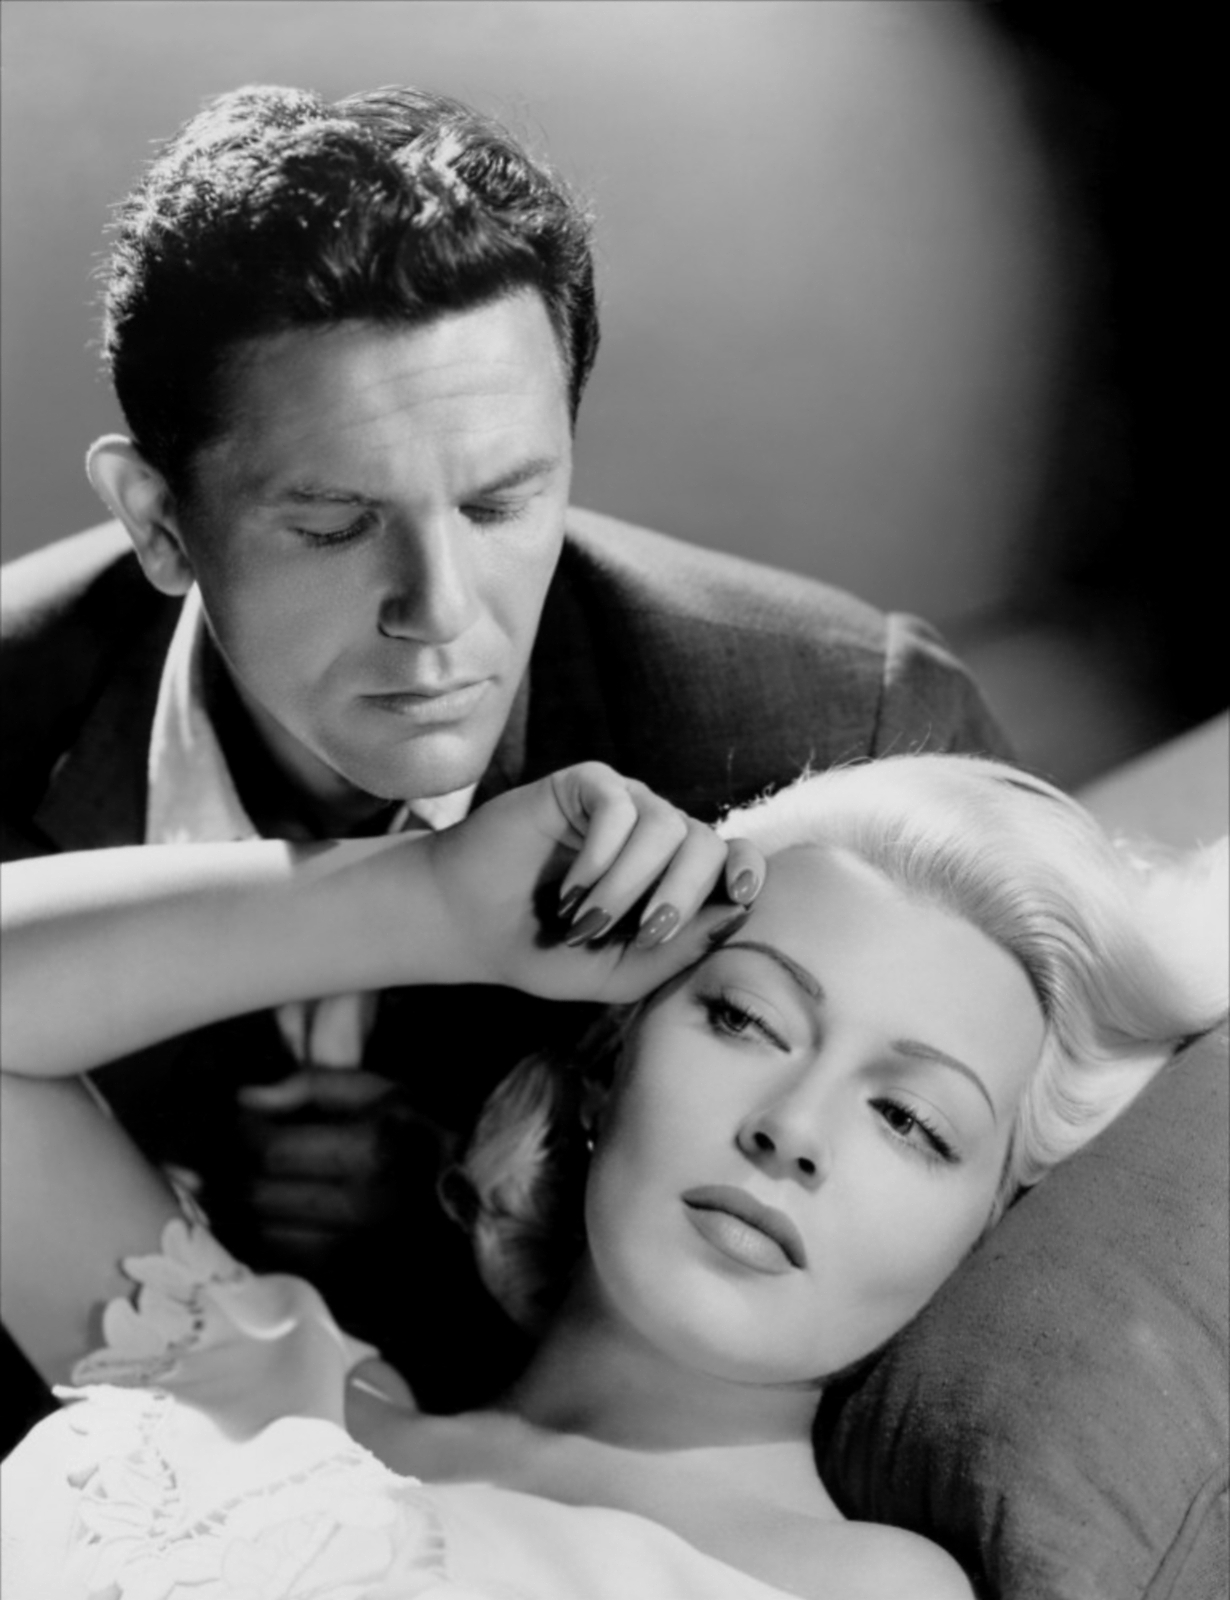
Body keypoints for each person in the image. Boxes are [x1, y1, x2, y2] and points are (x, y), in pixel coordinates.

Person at [0, 81, 1011, 1429]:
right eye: (333, 523)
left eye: (499, 503)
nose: (440, 610)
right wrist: (401, 910)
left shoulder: (846, 730)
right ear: (158, 520)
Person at [1, 755, 1225, 1599]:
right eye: (745, 1019)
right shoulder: (252, 1385)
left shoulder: (860, 1589)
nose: (793, 1129)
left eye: (911, 1119)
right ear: (606, 1061)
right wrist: (429, 901)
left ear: (980, 1233)